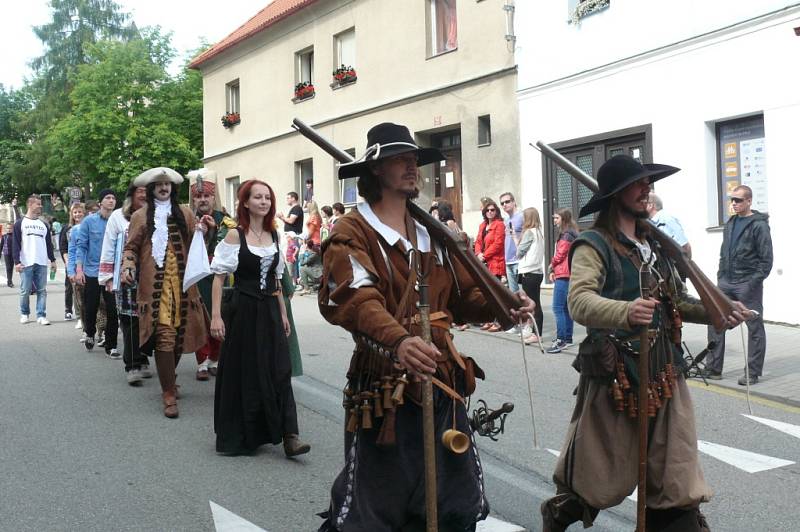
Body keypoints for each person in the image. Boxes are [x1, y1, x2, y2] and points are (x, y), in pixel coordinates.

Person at [316, 122, 533, 531]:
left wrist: (507, 305)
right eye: (399, 159)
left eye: (413, 158)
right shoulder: (351, 232)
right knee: (374, 510)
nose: (411, 165)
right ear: (375, 170)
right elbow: (355, 300)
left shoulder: (434, 235)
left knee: (454, 503)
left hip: (443, 379)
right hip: (384, 385)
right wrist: (398, 340)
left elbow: (464, 298)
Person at [540, 154, 750, 532]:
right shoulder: (593, 244)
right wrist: (625, 312)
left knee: (675, 475)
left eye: (647, 183)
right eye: (638, 184)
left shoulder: (656, 244)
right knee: (600, 475)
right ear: (616, 194)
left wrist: (719, 310)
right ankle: (561, 512)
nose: (646, 188)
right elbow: (579, 301)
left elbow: (678, 302)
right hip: (616, 375)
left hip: (666, 371)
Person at [209, 179, 310, 457]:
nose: (264, 202)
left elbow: (276, 280)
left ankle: (290, 435)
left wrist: (282, 314)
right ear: (245, 202)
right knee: (246, 370)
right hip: (243, 309)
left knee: (280, 368)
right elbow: (218, 278)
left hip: (269, 310)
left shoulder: (274, 236)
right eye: (258, 197)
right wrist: (216, 317)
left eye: (267, 197)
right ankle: (246, 434)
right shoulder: (234, 236)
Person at [121, 167, 212, 419]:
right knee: (164, 337)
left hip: (183, 287)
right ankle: (168, 393)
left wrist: (208, 230)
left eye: (167, 184)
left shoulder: (184, 213)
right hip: (155, 290)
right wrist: (127, 266)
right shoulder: (140, 216)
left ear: (173, 188)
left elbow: (198, 245)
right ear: (151, 189)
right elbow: (131, 248)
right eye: (159, 185)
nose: (164, 188)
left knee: (179, 337)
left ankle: (169, 378)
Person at [704, 185, 773, 385]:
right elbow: (723, 252)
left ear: (749, 201)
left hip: (747, 283)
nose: (734, 203)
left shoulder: (759, 225)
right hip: (726, 281)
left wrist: (751, 284)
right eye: (732, 200)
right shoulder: (731, 223)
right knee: (715, 320)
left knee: (754, 327)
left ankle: (752, 373)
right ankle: (714, 369)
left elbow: (766, 261)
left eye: (738, 200)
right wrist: (720, 276)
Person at [98, 184, 152, 384]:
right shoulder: (118, 217)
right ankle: (132, 365)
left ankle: (143, 357)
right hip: (125, 275)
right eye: (140, 192)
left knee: (147, 319)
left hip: (149, 275)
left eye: (147, 192)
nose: (144, 196)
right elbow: (109, 245)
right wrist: (108, 277)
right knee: (130, 320)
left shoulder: (154, 215)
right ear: (131, 196)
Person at [190, 178, 237, 381]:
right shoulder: (188, 219)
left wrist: (214, 230)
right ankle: (201, 361)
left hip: (219, 274)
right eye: (198, 196)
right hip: (197, 274)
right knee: (199, 318)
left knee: (220, 315)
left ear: (213, 197)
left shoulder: (225, 220)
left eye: (206, 195)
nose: (202, 200)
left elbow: (229, 245)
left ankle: (215, 359)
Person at [74, 189, 120, 356]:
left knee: (113, 309)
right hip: (92, 271)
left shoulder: (118, 221)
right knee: (91, 306)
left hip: (112, 272)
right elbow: (81, 246)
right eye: (107, 197)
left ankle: (111, 345)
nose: (111, 200)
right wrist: (79, 270)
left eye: (113, 198)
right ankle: (90, 333)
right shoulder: (89, 222)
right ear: (100, 202)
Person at [12, 195, 57, 325]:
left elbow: (48, 244)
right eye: (38, 204)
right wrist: (17, 262)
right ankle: (24, 313)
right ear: (30, 205)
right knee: (25, 290)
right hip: (26, 262)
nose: (41, 206)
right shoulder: (20, 223)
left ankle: (41, 315)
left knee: (42, 290)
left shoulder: (43, 224)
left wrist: (53, 260)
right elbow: (16, 244)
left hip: (42, 262)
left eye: (40, 204)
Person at [546, 208, 579, 353]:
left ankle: (561, 341)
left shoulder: (566, 235)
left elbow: (560, 255)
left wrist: (551, 266)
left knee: (557, 308)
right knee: (565, 308)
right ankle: (567, 338)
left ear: (563, 219)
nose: (554, 221)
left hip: (564, 274)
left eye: (556, 218)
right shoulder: (572, 233)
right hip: (568, 273)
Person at [474, 199, 506, 332]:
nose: (490, 212)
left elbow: (498, 244)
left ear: (496, 211)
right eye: (487, 210)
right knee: (486, 294)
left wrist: (484, 255)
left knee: (496, 294)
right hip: (484, 262)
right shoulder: (483, 225)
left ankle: (499, 322)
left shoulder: (499, 225)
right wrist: (478, 253)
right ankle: (489, 319)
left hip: (495, 263)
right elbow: (477, 241)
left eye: (492, 210)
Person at [516, 207, 545, 345]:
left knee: (533, 304)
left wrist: (518, 240)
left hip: (529, 271)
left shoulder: (529, 232)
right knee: (536, 303)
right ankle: (533, 331)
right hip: (537, 271)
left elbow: (520, 251)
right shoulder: (539, 232)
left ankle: (536, 334)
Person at [647, 192, 691, 257]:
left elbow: (685, 246)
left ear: (650, 205)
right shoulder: (652, 221)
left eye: (643, 202)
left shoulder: (667, 219)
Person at [65, 203, 87, 332]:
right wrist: (70, 269)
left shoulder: (89, 226)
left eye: (80, 212)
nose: (78, 214)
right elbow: (70, 249)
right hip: (75, 266)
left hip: (89, 266)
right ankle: (80, 318)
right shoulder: (71, 229)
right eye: (75, 212)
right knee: (77, 294)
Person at [500, 192, 524, 305]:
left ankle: (530, 320)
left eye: (507, 201)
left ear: (514, 202)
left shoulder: (521, 216)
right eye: (502, 203)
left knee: (524, 296)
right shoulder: (506, 220)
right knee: (513, 296)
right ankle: (520, 321)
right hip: (508, 261)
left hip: (519, 260)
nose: (504, 204)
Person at [277, 191, 304, 283]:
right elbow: (288, 222)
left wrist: (282, 217)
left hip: (293, 236)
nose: (287, 200)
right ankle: (293, 280)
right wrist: (281, 218)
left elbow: (291, 221)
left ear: (293, 198)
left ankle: (295, 281)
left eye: (288, 198)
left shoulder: (296, 208)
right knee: (289, 258)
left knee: (293, 259)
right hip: (290, 235)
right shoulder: (294, 208)